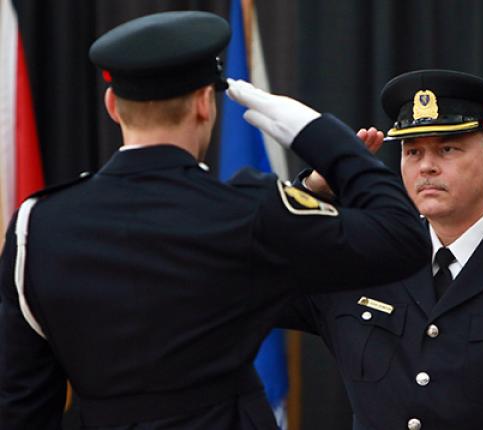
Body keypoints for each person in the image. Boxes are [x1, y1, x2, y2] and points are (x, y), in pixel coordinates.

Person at [0, 12, 432, 429]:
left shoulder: (37, 225)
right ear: (205, 103)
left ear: (113, 105)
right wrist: (318, 133)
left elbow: (20, 401)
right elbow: (401, 238)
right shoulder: (248, 211)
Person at [279, 69, 483, 430]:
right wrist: (313, 192)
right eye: (413, 151)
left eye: (447, 149)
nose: (427, 166)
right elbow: (256, 274)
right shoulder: (367, 257)